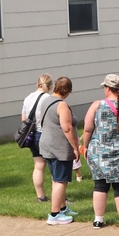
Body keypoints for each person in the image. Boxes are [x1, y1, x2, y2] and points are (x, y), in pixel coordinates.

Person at [82, 74, 119, 229]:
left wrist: (86, 146)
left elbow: (88, 128)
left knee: (100, 185)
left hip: (99, 152)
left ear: (107, 88)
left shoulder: (96, 105)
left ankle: (98, 220)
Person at [38, 77, 81, 225]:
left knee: (56, 179)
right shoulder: (61, 105)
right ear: (68, 91)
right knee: (60, 181)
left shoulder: (46, 100)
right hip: (59, 148)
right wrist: (76, 147)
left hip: (47, 145)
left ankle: (62, 209)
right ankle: (54, 214)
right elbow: (67, 128)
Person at [22, 73, 53, 203]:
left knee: (39, 165)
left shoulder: (28, 98)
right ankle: (60, 196)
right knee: (54, 166)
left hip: (32, 134)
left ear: (37, 84)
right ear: (50, 86)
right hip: (45, 134)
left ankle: (40, 196)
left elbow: (23, 119)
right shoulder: (48, 98)